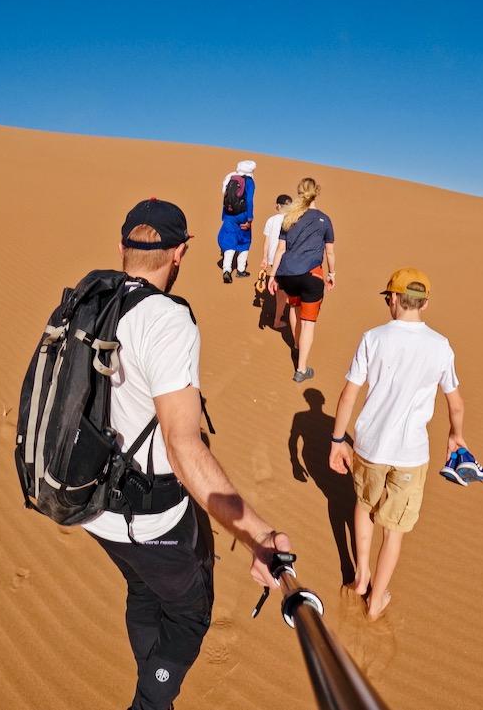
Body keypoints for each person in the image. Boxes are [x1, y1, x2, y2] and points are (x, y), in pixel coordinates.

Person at [82, 197, 292, 710]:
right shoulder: (166, 320)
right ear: (179, 253)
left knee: (144, 587)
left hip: (88, 503)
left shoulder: (91, 301)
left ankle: (151, 686)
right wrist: (258, 534)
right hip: (146, 516)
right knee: (188, 612)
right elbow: (182, 444)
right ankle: (151, 703)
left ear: (123, 247)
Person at [327, 267, 483, 621]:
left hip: (369, 447)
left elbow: (349, 394)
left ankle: (361, 575)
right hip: (411, 456)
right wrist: (455, 435)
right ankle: (376, 601)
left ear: (395, 299)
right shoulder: (440, 346)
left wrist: (338, 439)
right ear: (424, 304)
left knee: (364, 505)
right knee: (394, 529)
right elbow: (456, 403)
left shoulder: (373, 338)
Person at [267, 178, 335, 382]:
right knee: (308, 323)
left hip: (288, 276)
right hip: (311, 276)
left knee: (295, 308)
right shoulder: (324, 219)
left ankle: (297, 345)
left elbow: (280, 249)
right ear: (317, 192)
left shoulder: (289, 218)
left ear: (299, 193)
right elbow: (329, 252)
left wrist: (273, 275)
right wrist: (332, 274)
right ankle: (302, 369)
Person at [218, 160, 256, 283]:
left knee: (230, 240)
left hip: (229, 214)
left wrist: (225, 215)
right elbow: (249, 200)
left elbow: (225, 195)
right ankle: (241, 270)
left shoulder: (231, 178)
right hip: (243, 215)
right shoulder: (249, 181)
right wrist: (249, 219)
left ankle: (226, 270)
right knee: (245, 241)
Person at [260, 193, 293, 328]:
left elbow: (267, 242)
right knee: (285, 292)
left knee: (281, 292)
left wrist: (265, 258)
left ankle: (278, 319)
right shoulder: (293, 220)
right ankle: (278, 320)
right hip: (289, 260)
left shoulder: (271, 220)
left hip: (274, 260)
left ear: (278, 206)